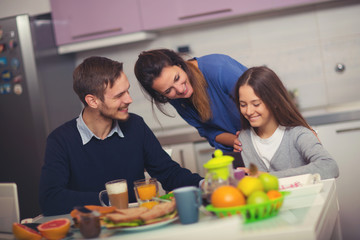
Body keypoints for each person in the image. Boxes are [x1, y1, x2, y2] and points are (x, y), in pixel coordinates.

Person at [39, 56, 203, 216]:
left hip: (134, 224)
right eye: (119, 95)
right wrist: (109, 200)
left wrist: (204, 184)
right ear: (93, 101)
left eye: (127, 90)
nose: (129, 99)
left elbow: (170, 173)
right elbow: (51, 199)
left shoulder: (135, 126)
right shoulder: (60, 140)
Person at [233, 66, 339, 179]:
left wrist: (267, 176)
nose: (248, 111)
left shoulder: (297, 134)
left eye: (256, 104)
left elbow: (330, 167)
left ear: (273, 101)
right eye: (243, 105)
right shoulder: (243, 140)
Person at [134, 49, 247, 152]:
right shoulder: (175, 99)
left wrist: (250, 139)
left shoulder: (219, 68)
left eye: (177, 78)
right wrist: (235, 141)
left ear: (179, 64)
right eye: (168, 90)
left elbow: (261, 103)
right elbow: (208, 131)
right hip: (238, 151)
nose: (180, 89)